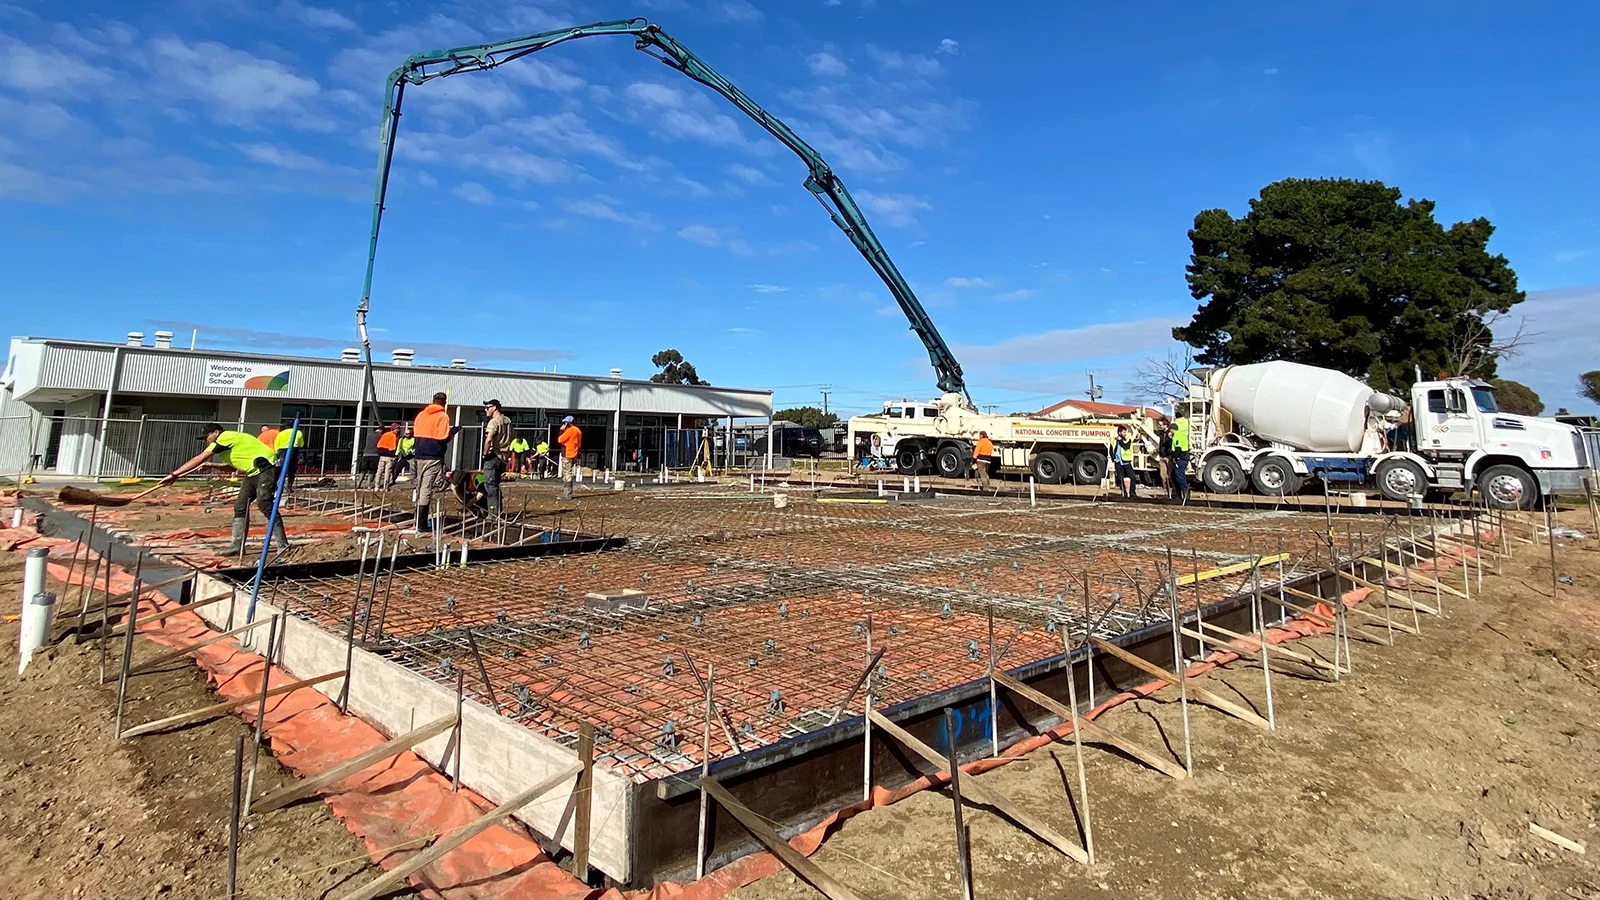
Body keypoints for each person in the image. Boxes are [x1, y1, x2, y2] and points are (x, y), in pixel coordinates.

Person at [161, 423, 288, 555]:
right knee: (240, 506)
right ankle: (236, 546)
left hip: (266, 468)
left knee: (265, 504)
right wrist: (213, 465)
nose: (206, 441)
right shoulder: (226, 445)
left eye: (207, 437)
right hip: (252, 471)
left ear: (216, 432)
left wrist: (174, 475)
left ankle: (282, 545)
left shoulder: (225, 437)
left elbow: (199, 458)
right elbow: (234, 467)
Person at [412, 392, 461, 532]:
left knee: (420, 486)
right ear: (444, 403)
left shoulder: (421, 415)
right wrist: (453, 432)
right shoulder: (442, 416)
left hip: (419, 455)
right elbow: (443, 437)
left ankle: (418, 519)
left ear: (432, 401)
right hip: (433, 456)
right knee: (427, 488)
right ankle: (421, 524)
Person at [480, 399, 513, 518]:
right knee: (495, 484)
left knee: (490, 485)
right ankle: (498, 511)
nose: (485, 410)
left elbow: (489, 439)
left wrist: (485, 453)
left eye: (487, 407)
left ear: (495, 408)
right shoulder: (507, 420)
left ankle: (493, 513)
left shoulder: (494, 422)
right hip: (503, 456)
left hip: (494, 455)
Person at [274, 422, 306, 492]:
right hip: (293, 450)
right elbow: (301, 444)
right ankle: (289, 486)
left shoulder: (281, 433)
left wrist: (277, 452)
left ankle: (277, 486)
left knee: (282, 469)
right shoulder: (298, 432)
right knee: (292, 469)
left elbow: (276, 443)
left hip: (282, 450)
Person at [557, 415, 582, 500]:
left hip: (568, 453)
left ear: (569, 423)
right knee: (569, 472)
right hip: (574, 453)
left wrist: (561, 430)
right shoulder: (578, 431)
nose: (564, 424)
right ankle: (567, 493)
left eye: (565, 422)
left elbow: (560, 440)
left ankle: (567, 494)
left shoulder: (570, 431)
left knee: (567, 473)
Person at [1170, 414, 1192, 504]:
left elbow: (1178, 448)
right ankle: (1180, 493)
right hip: (1184, 458)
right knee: (1175, 475)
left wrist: (1175, 457)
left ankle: (1185, 490)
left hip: (1181, 458)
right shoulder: (1182, 435)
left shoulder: (1177, 436)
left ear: (1172, 429)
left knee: (1179, 475)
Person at [1113, 425, 1137, 498]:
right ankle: (1124, 493)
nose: (1125, 434)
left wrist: (1120, 440)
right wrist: (1113, 458)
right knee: (1120, 478)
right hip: (1118, 462)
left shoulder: (1127, 440)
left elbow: (1125, 446)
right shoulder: (1114, 440)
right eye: (1123, 432)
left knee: (1132, 477)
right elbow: (1112, 449)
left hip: (1126, 461)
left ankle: (1132, 493)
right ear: (1119, 433)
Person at [375, 422, 400, 489]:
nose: (398, 430)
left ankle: (376, 486)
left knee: (379, 471)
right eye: (397, 428)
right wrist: (394, 455)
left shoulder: (385, 434)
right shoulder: (393, 436)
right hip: (389, 456)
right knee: (387, 472)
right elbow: (393, 447)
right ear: (394, 429)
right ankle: (385, 487)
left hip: (382, 455)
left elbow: (378, 445)